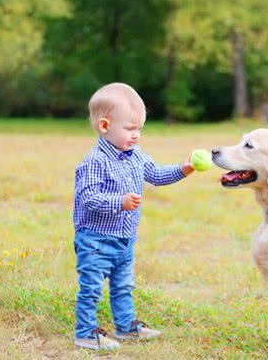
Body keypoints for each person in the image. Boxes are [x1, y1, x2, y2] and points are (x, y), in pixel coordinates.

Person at [72, 83, 194, 350]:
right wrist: (120, 201)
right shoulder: (95, 161)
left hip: (124, 239)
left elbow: (157, 174)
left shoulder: (135, 156)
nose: (136, 135)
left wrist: (182, 170)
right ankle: (85, 333)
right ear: (105, 126)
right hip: (96, 240)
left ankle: (126, 327)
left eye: (139, 129)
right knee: (91, 288)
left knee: (123, 286)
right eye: (129, 129)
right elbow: (88, 199)